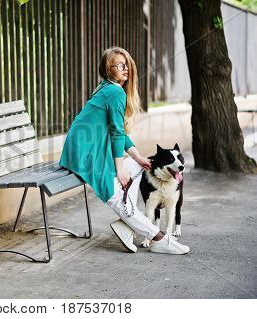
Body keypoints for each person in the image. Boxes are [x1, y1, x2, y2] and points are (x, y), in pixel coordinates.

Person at [59, 47, 189, 255]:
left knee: (138, 165)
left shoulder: (106, 88)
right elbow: (116, 132)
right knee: (116, 194)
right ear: (108, 69)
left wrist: (137, 156)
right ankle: (157, 237)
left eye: (126, 63)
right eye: (119, 65)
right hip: (86, 153)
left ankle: (126, 225)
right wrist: (119, 169)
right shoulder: (114, 91)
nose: (125, 68)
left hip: (83, 149)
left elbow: (116, 129)